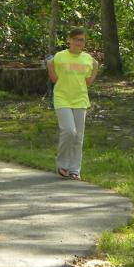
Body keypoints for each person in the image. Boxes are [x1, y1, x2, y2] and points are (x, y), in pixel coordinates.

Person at [47, 27, 100, 181]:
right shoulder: (60, 56)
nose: (78, 42)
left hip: (80, 99)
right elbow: (52, 71)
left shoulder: (87, 59)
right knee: (69, 131)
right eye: (76, 39)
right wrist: (52, 72)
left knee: (79, 137)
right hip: (62, 97)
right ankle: (62, 164)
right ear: (70, 40)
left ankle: (74, 169)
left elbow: (89, 81)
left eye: (81, 40)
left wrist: (96, 68)